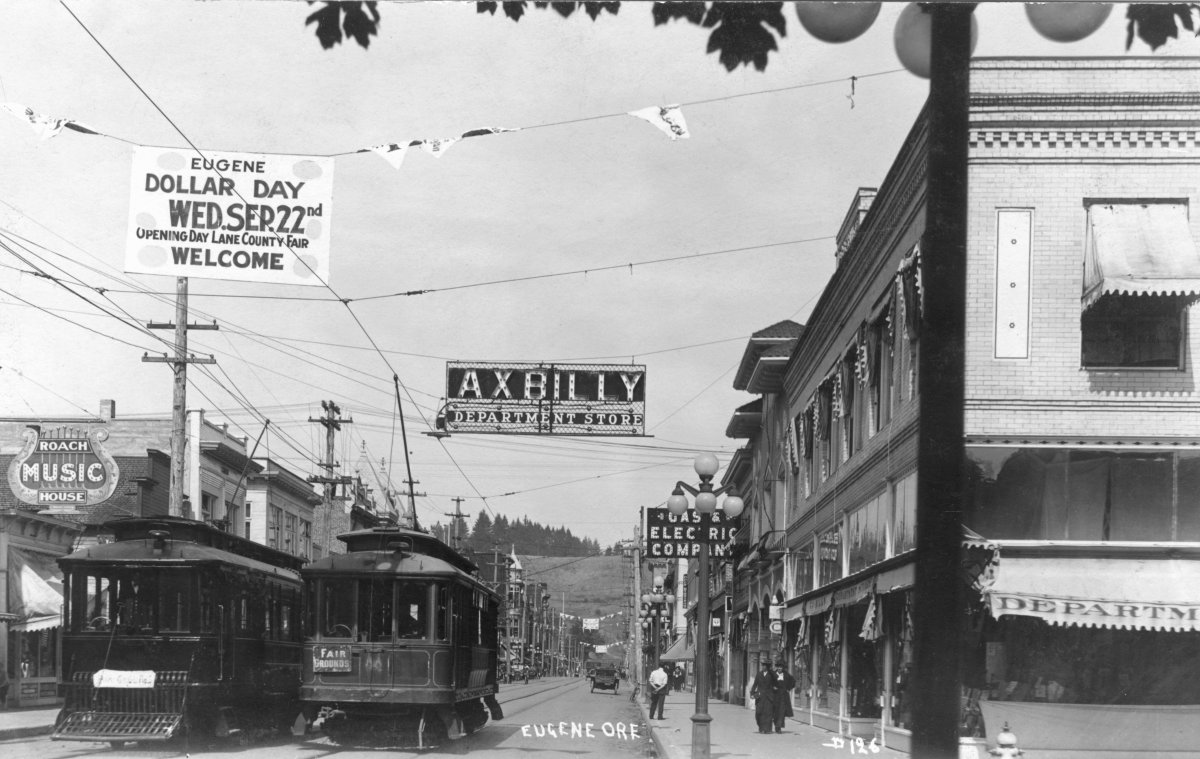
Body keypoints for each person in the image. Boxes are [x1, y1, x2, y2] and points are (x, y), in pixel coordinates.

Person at [749, 659, 777, 734]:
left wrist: (771, 671)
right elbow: (755, 684)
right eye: (762, 665)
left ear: (767, 667)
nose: (763, 666)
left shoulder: (771, 674)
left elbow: (776, 678)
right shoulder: (759, 674)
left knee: (768, 714)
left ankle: (767, 729)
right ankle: (761, 727)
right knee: (758, 713)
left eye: (764, 665)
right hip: (760, 696)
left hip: (768, 697)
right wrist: (752, 693)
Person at [773, 660, 796, 733]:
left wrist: (788, 688)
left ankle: (779, 726)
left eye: (781, 667)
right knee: (776, 712)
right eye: (778, 667)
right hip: (775, 696)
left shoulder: (786, 675)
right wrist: (773, 687)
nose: (780, 668)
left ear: (783, 668)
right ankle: (776, 725)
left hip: (783, 696)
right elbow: (768, 683)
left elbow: (793, 681)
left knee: (781, 712)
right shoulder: (773, 674)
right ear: (777, 667)